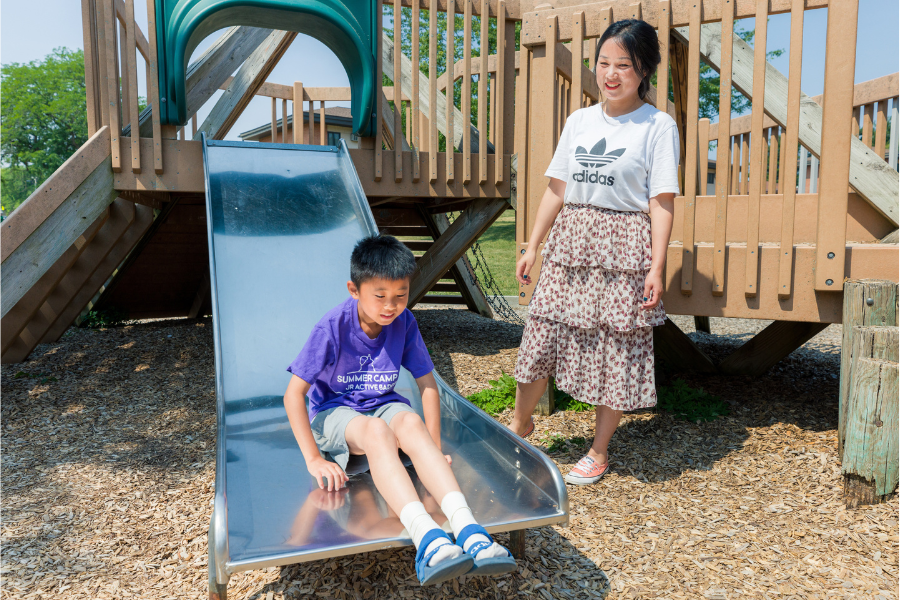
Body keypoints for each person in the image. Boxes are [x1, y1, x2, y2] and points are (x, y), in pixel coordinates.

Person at [283, 235, 516, 585]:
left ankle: (469, 529)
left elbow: (428, 386)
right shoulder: (331, 328)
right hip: (334, 413)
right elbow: (293, 395)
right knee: (377, 432)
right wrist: (313, 459)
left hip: (382, 406)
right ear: (354, 289)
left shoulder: (404, 322)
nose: (390, 306)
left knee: (408, 421)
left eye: (401, 295)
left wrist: (432, 448)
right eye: (380, 296)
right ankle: (427, 539)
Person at [509, 19, 679, 486]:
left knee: (616, 346)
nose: (610, 73)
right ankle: (521, 424)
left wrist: (656, 267)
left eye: (623, 65)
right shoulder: (579, 120)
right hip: (571, 242)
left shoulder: (658, 126)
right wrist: (532, 245)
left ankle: (599, 450)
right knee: (540, 334)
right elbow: (556, 190)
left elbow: (661, 203)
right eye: (603, 62)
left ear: (643, 69)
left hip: (624, 247)